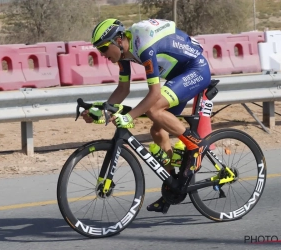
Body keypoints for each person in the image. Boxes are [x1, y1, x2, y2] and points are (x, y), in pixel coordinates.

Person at [83, 18, 211, 213]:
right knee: (158, 130)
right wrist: (104, 111)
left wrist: (129, 117)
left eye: (103, 48)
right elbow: (123, 89)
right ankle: (173, 186)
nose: (103, 55)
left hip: (195, 69)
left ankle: (196, 146)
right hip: (177, 77)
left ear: (118, 40)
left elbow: (154, 94)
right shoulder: (123, 55)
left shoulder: (143, 46)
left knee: (153, 110)